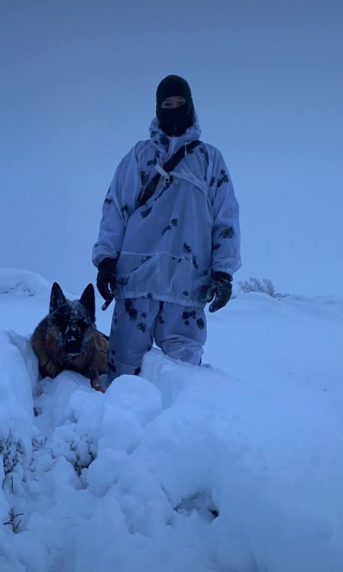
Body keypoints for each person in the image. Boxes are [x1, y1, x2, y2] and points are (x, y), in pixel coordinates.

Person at [92, 74, 241, 384]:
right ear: (157, 108)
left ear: (191, 106)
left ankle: (179, 434)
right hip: (136, 281)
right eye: (167, 104)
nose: (174, 109)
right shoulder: (140, 156)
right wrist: (106, 260)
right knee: (122, 378)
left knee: (184, 382)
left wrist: (223, 272)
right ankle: (119, 431)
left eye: (180, 103)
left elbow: (225, 218)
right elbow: (116, 207)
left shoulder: (209, 159)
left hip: (186, 286)